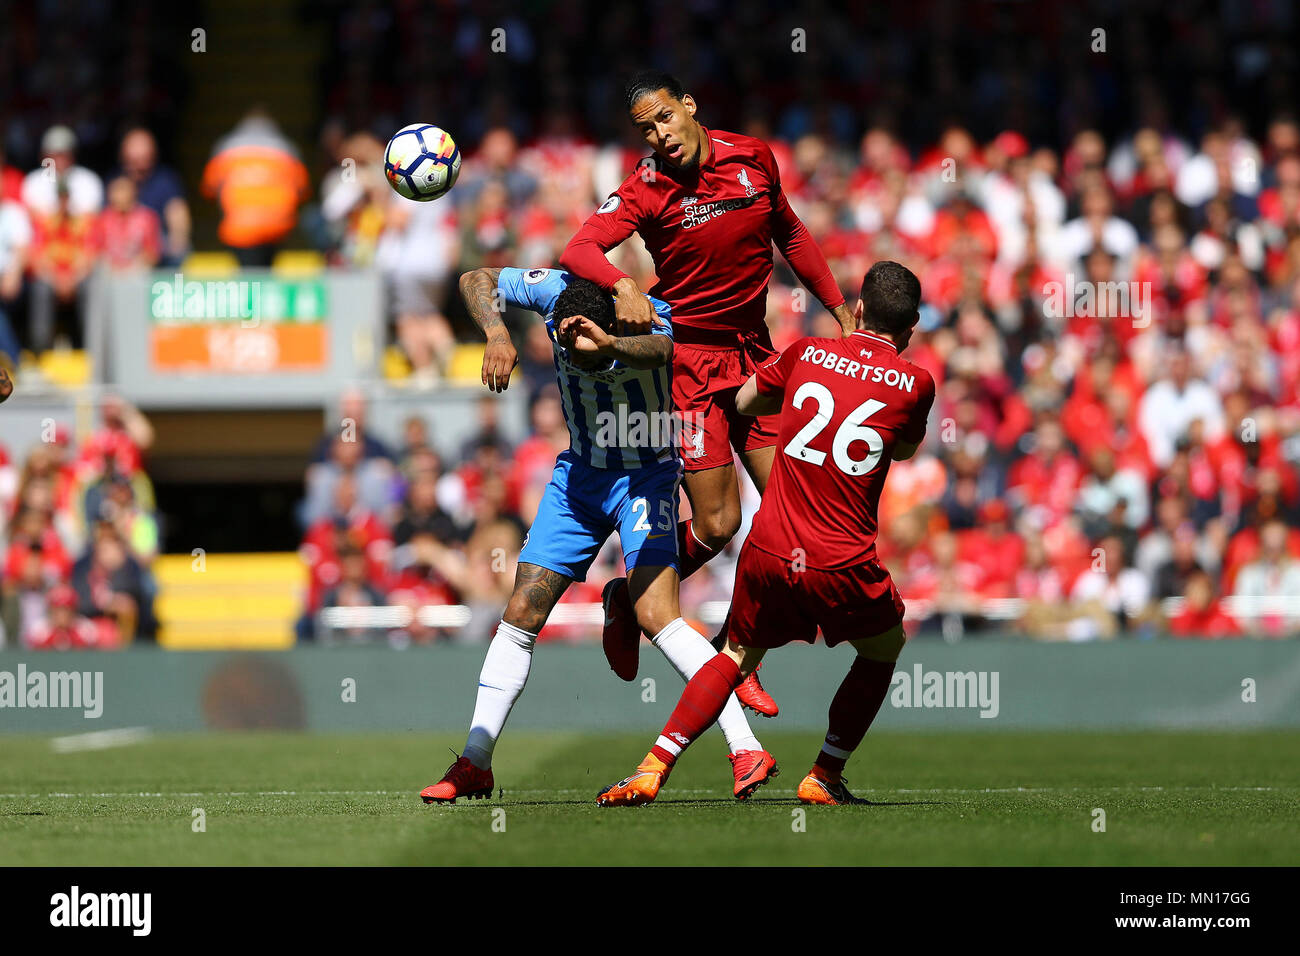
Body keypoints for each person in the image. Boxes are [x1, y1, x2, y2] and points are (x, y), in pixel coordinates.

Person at [420, 266, 776, 804]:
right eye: (573, 350)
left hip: (646, 476)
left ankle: (745, 747)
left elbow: (663, 353)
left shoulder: (655, 321)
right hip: (579, 478)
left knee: (658, 616)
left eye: (596, 350)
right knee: (520, 613)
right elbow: (475, 278)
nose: (583, 359)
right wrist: (496, 333)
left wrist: (611, 343)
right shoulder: (552, 293)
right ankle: (475, 762)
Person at [559, 70, 855, 717]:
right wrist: (622, 286)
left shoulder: (754, 157)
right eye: (645, 129)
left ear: (690, 106)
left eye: (664, 118)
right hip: (688, 364)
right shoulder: (647, 188)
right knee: (720, 524)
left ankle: (736, 653)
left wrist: (837, 306)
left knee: (791, 521)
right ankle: (622, 599)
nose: (659, 135)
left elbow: (793, 234)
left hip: (753, 357)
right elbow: (578, 248)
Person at [596, 261, 935, 807]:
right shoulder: (916, 383)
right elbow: (902, 448)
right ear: (912, 325)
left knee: (732, 656)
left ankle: (652, 767)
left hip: (770, 546)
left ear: (860, 308)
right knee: (884, 646)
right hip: (841, 556)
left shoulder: (805, 352)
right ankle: (823, 774)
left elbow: (747, 403)